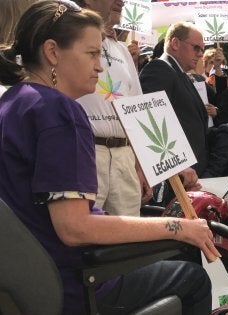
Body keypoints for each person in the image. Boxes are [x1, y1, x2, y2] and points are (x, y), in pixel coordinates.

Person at [0, 2, 220, 314]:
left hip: (30, 281)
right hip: (75, 285)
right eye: (91, 53)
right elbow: (74, 228)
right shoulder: (59, 111)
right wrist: (179, 227)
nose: (100, 67)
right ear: (52, 52)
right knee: (193, 278)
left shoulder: (12, 102)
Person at [74, 0, 151, 216]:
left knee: (127, 245)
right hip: (85, 153)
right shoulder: (66, 41)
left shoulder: (121, 49)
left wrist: (140, 163)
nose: (123, 1)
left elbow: (137, 106)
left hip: (124, 157)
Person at [140, 22, 210, 177]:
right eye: (196, 48)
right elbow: (150, 121)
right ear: (175, 43)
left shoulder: (179, 73)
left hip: (190, 171)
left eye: (202, 49)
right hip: (175, 175)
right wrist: (176, 165)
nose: (200, 54)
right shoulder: (160, 68)